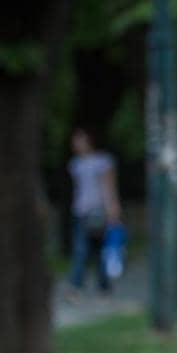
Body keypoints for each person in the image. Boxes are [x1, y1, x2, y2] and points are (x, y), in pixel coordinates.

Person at [65, 127, 120, 297]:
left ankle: (103, 285)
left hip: (99, 211)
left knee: (100, 250)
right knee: (80, 250)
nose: (77, 145)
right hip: (81, 211)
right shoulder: (75, 165)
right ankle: (76, 286)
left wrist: (112, 208)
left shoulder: (103, 161)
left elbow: (109, 186)